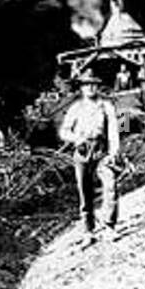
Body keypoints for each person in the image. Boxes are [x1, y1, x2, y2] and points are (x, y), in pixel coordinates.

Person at [60, 67, 121, 244]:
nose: (90, 88)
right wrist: (76, 138)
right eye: (86, 85)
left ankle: (109, 226)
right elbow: (64, 131)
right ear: (81, 88)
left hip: (101, 151)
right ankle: (88, 230)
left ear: (98, 86)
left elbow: (113, 130)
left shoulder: (106, 106)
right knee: (85, 191)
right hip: (82, 152)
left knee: (110, 185)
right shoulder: (76, 108)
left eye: (93, 84)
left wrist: (114, 152)